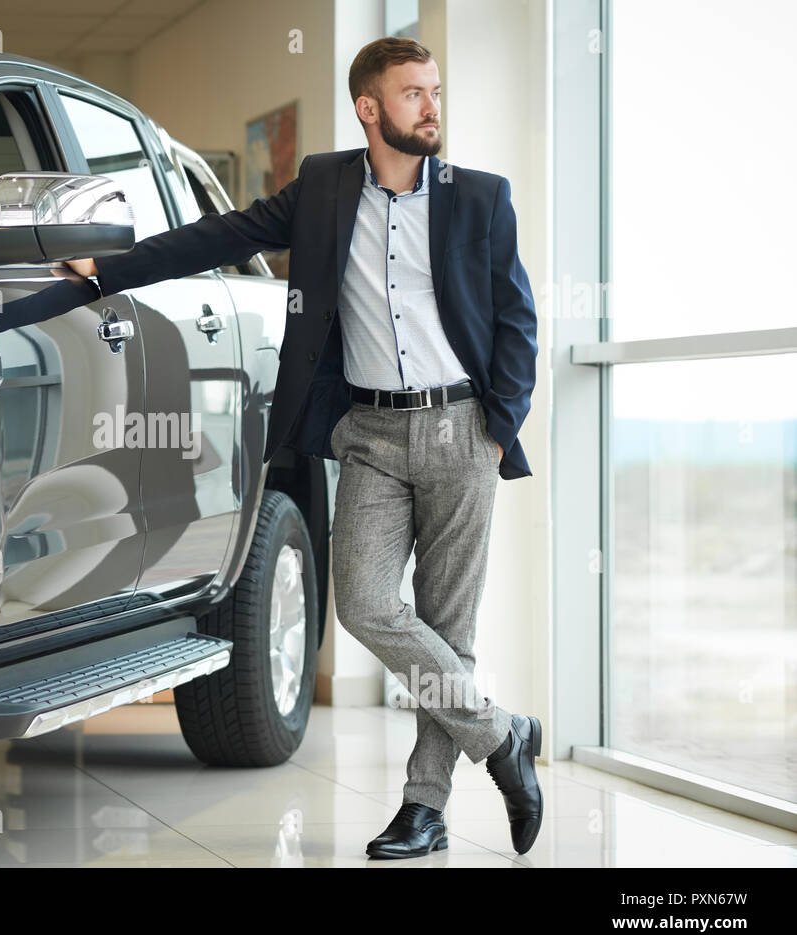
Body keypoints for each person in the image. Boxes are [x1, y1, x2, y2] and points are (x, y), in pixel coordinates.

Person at [61, 36, 543, 859]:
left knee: (446, 628)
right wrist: (109, 271)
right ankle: (503, 735)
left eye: (435, 90)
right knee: (360, 603)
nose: (433, 105)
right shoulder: (323, 188)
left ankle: (423, 808)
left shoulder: (480, 199)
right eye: (413, 93)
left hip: (463, 429)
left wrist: (499, 424)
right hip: (371, 435)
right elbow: (219, 236)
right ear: (369, 108)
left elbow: (517, 321)